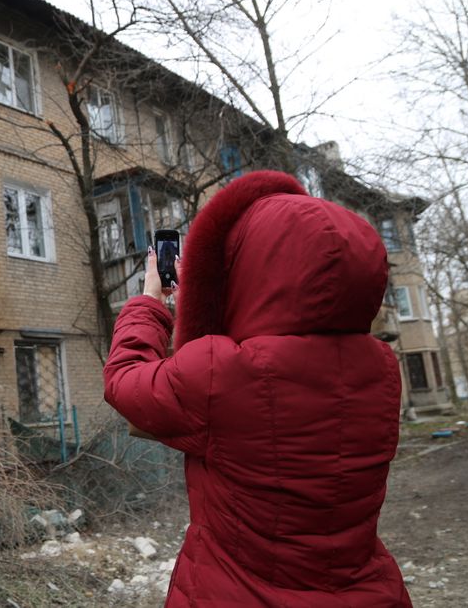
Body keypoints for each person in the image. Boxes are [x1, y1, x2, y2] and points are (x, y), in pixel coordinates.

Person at [104, 171, 412, 607]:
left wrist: (150, 305)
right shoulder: (382, 369)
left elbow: (125, 379)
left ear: (253, 271)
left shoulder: (221, 371)